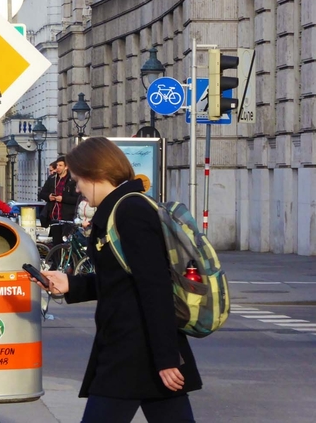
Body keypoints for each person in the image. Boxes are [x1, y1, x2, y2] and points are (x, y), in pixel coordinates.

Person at [34, 137, 201, 423]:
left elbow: (155, 286)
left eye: (77, 180)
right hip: (133, 347)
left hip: (134, 350)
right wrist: (71, 284)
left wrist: (166, 358)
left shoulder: (130, 211)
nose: (77, 188)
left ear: (96, 174)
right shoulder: (119, 209)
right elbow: (120, 280)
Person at [38, 156, 78, 245]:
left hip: (67, 218)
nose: (58, 168)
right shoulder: (52, 179)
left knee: (66, 243)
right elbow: (41, 193)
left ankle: (67, 258)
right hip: (54, 217)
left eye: (60, 165)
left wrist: (63, 199)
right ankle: (57, 259)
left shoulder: (72, 180)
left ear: (66, 167)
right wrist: (49, 196)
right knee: (56, 244)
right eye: (57, 165)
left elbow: (76, 199)